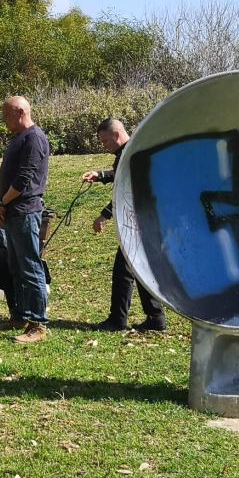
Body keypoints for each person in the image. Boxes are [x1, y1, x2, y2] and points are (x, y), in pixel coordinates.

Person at [82, 117, 167, 332]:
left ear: (117, 135)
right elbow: (120, 176)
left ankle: (118, 320)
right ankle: (155, 318)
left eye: (105, 140)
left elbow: (127, 192)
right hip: (145, 221)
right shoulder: (129, 151)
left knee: (124, 271)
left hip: (141, 222)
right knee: (135, 269)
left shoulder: (130, 154)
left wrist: (104, 215)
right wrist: (100, 175)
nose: (103, 145)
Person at [0, 96, 51, 343]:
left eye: (7, 115)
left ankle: (38, 324)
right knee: (18, 266)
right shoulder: (20, 139)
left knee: (30, 266)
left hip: (24, 211)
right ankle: (22, 314)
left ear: (21, 112)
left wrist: (3, 201)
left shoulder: (34, 138)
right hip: (12, 212)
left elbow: (24, 181)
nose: (4, 121)